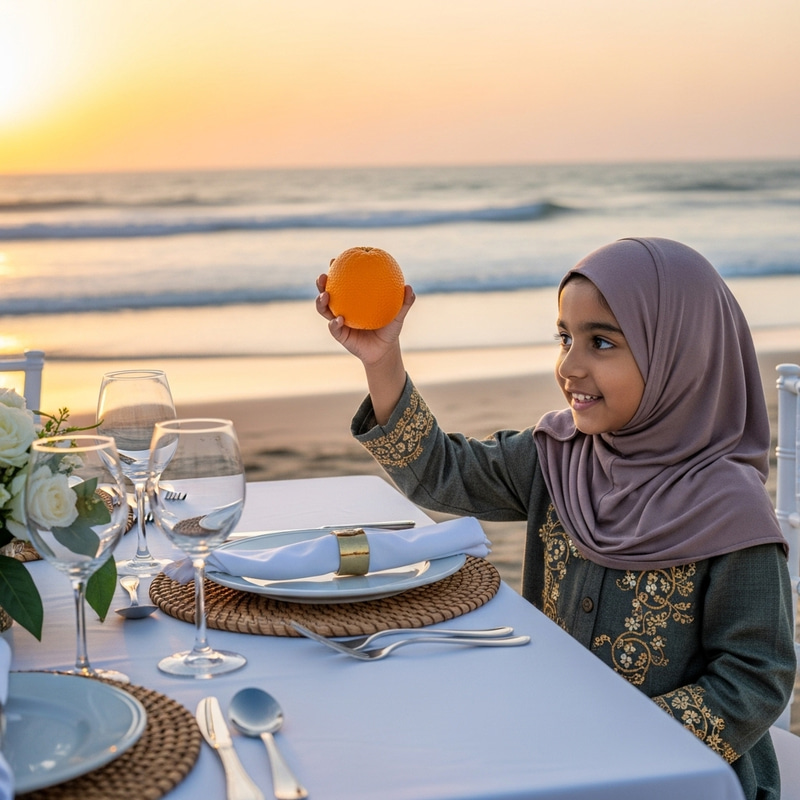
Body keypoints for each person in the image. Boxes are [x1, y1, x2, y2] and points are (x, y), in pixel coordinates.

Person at [315, 236, 796, 799]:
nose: (570, 366)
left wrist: (620, 736)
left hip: (678, 776)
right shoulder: (559, 455)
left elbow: (757, 677)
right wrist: (383, 358)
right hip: (551, 747)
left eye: (601, 342)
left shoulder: (729, 508)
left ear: (678, 353)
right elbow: (441, 473)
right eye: (565, 338)